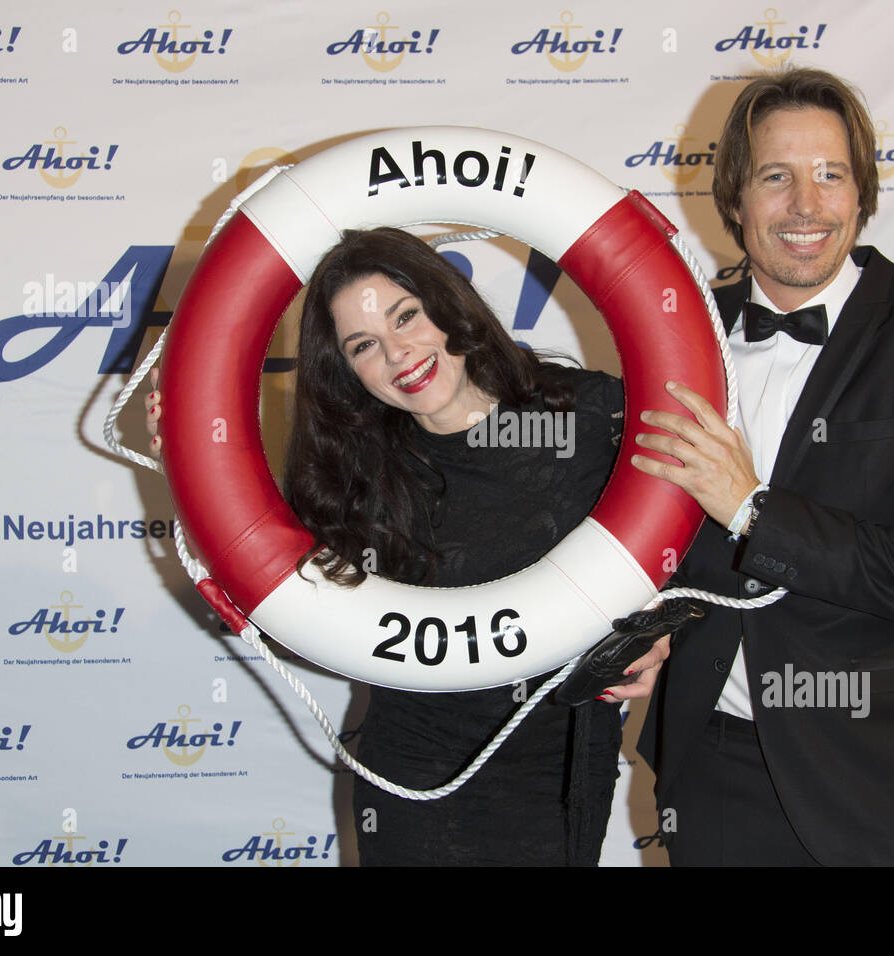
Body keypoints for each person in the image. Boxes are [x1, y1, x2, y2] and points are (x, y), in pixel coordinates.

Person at [616, 67, 894, 865]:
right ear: (733, 198)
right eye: (777, 177)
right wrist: (642, 627)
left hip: (880, 785)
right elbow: (650, 529)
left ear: (862, 194)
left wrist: (753, 511)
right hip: (712, 773)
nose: (807, 204)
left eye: (831, 175)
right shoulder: (678, 332)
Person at [149, 227, 629, 866]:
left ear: (449, 306)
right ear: (347, 371)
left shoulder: (588, 415)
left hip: (562, 763)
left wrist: (662, 630)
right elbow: (287, 617)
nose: (399, 353)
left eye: (407, 317)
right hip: (413, 770)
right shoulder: (352, 474)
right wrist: (188, 465)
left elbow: (691, 542)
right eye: (364, 346)